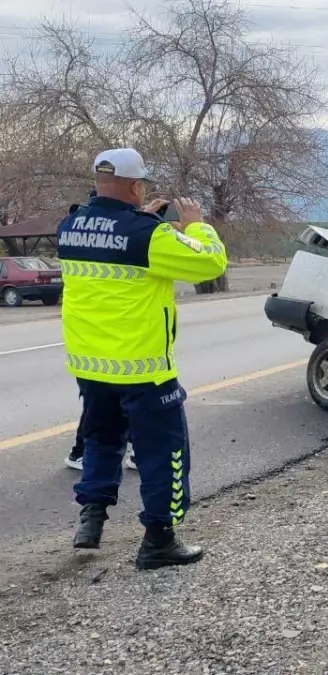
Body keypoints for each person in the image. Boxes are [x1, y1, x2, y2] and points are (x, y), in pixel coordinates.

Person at [58, 148, 227, 569]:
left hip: (90, 365)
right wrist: (197, 226)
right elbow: (210, 263)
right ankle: (159, 541)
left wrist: (143, 218)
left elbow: (113, 238)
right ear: (137, 187)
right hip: (143, 370)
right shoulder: (150, 236)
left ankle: (91, 521)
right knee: (164, 453)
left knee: (101, 438)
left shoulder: (69, 227)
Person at [62, 191, 137, 472]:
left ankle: (85, 452)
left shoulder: (74, 230)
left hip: (89, 343)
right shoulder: (120, 236)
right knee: (119, 403)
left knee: (107, 405)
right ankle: (83, 453)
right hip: (111, 342)